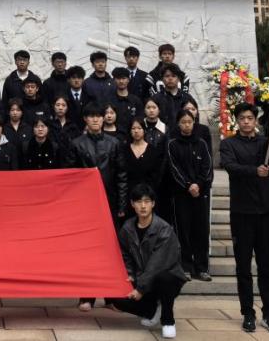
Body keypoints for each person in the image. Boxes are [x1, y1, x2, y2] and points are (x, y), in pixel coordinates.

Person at [219, 102, 269, 333]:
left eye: (250, 118)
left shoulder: (263, 142)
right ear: (236, 121)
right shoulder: (228, 144)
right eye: (242, 118)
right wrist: (254, 171)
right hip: (242, 212)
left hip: (265, 211)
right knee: (243, 267)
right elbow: (230, 166)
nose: (246, 122)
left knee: (266, 266)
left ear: (255, 120)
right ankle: (248, 313)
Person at [66, 103, 128, 311]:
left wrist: (121, 205)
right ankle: (87, 296)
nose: (95, 120)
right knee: (87, 250)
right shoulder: (76, 144)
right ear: (85, 119)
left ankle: (111, 297)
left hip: (109, 202)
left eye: (99, 116)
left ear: (104, 119)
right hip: (85, 204)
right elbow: (69, 176)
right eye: (91, 116)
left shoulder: (114, 143)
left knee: (110, 250)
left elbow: (121, 175)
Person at [107, 183, 188, 339]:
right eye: (138, 202)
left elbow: (158, 264)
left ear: (153, 204)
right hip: (143, 279)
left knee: (164, 278)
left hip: (168, 278)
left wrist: (140, 289)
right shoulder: (127, 228)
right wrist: (130, 274)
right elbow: (124, 254)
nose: (143, 206)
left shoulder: (164, 229)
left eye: (147, 201)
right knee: (117, 299)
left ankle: (168, 320)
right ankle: (152, 309)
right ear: (132, 204)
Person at [167, 108, 214, 282]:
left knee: (201, 230)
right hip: (181, 194)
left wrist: (199, 184)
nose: (187, 125)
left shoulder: (201, 143)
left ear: (194, 123)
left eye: (189, 122)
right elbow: (174, 169)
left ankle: (202, 267)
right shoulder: (172, 144)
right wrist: (188, 185)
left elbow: (207, 167)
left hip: (200, 194)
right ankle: (185, 266)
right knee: (183, 231)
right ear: (178, 124)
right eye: (183, 122)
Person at [124, 117, 164, 195]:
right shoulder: (124, 149)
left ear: (144, 130)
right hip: (129, 192)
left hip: (149, 192)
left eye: (139, 128)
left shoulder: (153, 150)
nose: (136, 131)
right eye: (133, 128)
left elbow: (157, 175)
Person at [153, 64, 195, 128]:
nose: (170, 78)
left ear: (178, 79)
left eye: (173, 76)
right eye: (167, 76)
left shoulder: (187, 98)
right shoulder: (156, 99)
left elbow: (194, 119)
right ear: (162, 79)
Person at [111, 67, 142, 133]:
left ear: (128, 80)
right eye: (118, 78)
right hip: (113, 135)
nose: (121, 81)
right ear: (114, 80)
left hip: (132, 135)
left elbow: (140, 119)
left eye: (123, 78)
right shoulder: (109, 100)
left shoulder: (136, 101)